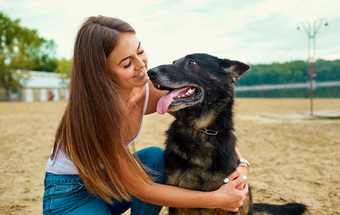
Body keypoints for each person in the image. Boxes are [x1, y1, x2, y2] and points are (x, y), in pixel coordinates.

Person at [42, 15, 249, 215]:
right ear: (101, 72)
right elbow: (144, 190)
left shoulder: (146, 90)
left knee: (154, 158)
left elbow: (208, 127)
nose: (141, 65)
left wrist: (241, 164)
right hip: (69, 195)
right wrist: (218, 199)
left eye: (139, 51)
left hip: (108, 182)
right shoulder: (97, 114)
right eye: (126, 63)